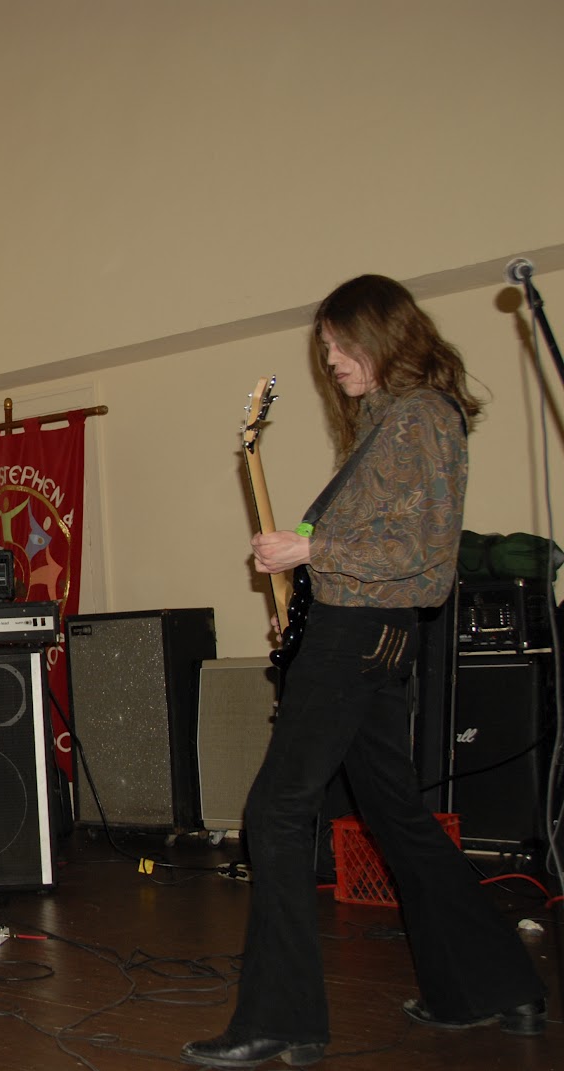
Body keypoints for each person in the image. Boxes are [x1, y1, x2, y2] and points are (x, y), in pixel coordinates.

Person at [182, 275, 548, 1068]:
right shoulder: (393, 421)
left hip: (356, 642)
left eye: (342, 345)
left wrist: (310, 549)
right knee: (397, 816)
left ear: (384, 335)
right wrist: (303, 598)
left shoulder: (418, 419)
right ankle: (495, 983)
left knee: (276, 812)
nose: (332, 360)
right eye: (326, 349)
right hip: (363, 635)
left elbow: (425, 557)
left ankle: (283, 1020)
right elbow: (377, 552)